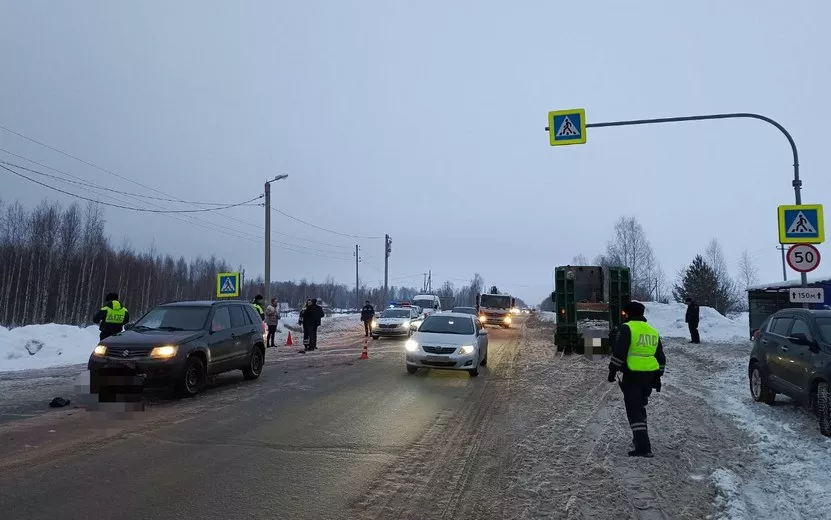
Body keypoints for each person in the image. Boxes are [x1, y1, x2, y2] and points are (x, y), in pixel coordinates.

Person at [607, 301, 666, 458]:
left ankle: (644, 447)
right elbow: (660, 356)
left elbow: (620, 353)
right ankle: (639, 439)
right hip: (649, 375)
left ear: (628, 314)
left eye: (624, 313)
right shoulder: (652, 330)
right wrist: (658, 376)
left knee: (633, 410)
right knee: (640, 407)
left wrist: (612, 372)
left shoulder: (627, 328)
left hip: (633, 374)